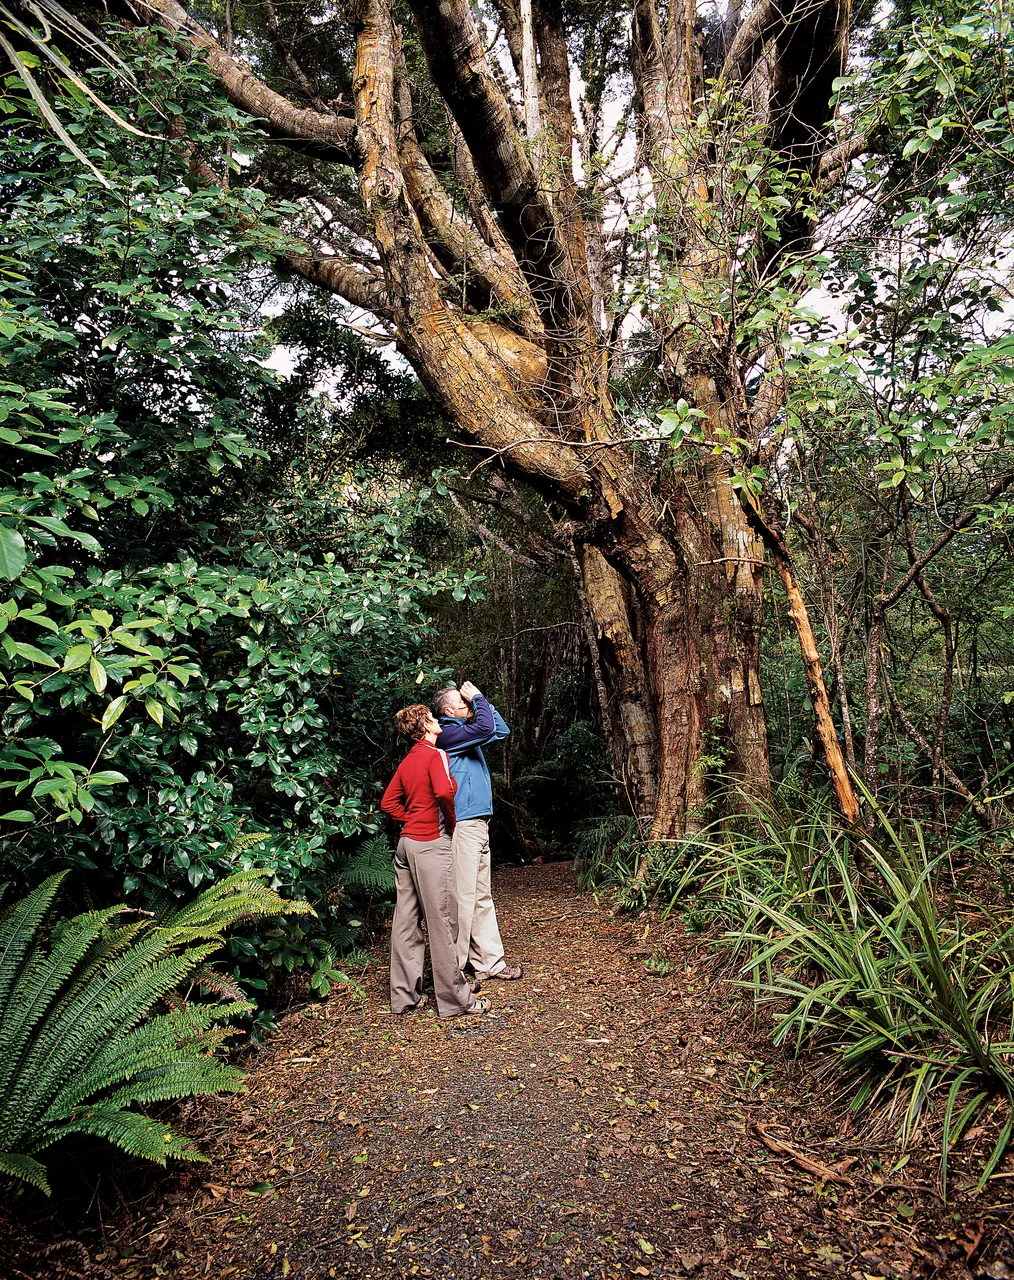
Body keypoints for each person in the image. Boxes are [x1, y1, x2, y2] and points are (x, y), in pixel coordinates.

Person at [380, 704, 491, 1019]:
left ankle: (404, 998)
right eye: (433, 717)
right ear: (427, 726)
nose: (438, 721)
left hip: (406, 845)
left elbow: (388, 802)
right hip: (431, 844)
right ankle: (457, 1001)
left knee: (405, 921)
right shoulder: (434, 754)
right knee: (443, 922)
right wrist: (451, 824)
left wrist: (411, 820)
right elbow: (444, 791)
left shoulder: (408, 761)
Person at [433, 681, 524, 983]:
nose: (467, 705)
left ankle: (489, 963)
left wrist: (482, 702)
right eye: (462, 702)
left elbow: (500, 730)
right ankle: (454, 970)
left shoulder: (466, 732)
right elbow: (486, 729)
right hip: (463, 824)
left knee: (481, 895)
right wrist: (480, 698)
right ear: (448, 711)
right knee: (462, 897)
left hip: (478, 823)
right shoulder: (448, 733)